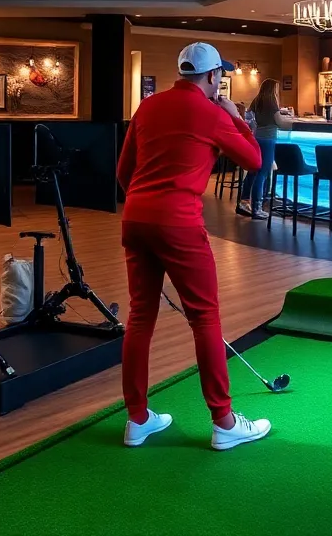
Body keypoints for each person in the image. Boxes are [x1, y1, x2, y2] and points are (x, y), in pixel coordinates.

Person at [116, 42, 272, 451]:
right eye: (221, 75)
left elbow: (123, 172)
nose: (222, 81)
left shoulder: (147, 107)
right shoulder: (210, 112)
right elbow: (254, 160)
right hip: (179, 224)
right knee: (204, 319)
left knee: (139, 318)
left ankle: (137, 419)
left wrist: (145, 203)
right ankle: (223, 422)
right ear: (211, 76)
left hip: (135, 219)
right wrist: (236, 118)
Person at [238, 78, 291, 220]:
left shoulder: (258, 100)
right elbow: (280, 123)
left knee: (253, 172)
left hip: (257, 137)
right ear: (272, 90)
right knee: (262, 173)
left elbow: (249, 117)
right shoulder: (271, 102)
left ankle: (244, 202)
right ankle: (257, 208)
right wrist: (292, 123)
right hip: (268, 139)